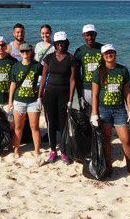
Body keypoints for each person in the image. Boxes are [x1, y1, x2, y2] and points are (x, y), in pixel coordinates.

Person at [89, 44, 130, 173]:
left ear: (115, 53)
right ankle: (109, 166)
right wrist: (94, 113)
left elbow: (126, 93)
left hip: (120, 110)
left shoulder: (123, 70)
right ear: (103, 56)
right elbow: (95, 94)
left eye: (111, 52)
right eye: (106, 53)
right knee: (106, 140)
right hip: (104, 110)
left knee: (126, 139)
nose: (109, 55)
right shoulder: (98, 72)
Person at [38, 31, 78, 164]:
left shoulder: (71, 58)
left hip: (64, 94)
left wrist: (71, 100)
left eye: (63, 42)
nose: (61, 45)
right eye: (58, 43)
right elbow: (43, 77)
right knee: (51, 123)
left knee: (63, 123)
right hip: (49, 94)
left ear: (66, 43)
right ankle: (53, 150)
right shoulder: (49, 58)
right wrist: (39, 95)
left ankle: (64, 151)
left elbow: (73, 80)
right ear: (55, 44)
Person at [7, 43, 43, 161]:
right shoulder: (16, 66)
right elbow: (12, 84)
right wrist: (10, 101)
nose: (25, 54)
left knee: (35, 127)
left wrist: (40, 92)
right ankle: (16, 149)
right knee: (18, 127)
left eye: (27, 51)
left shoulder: (37, 66)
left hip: (33, 101)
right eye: (22, 52)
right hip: (19, 101)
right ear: (20, 53)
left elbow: (44, 79)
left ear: (31, 52)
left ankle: (37, 151)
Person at [74, 24, 103, 107]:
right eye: (87, 35)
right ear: (83, 35)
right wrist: (80, 95)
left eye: (92, 34)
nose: (89, 37)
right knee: (87, 116)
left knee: (102, 116)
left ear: (95, 34)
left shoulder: (103, 49)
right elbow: (77, 75)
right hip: (86, 89)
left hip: (102, 88)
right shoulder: (80, 51)